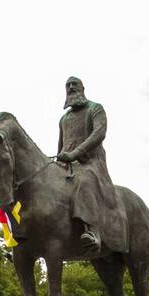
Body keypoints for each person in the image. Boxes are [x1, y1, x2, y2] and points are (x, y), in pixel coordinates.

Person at [56, 77, 128, 255]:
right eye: (68, 85)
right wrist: (57, 164)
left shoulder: (95, 109)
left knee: (85, 179)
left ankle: (92, 231)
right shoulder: (63, 119)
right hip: (67, 166)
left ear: (82, 88)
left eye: (75, 84)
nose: (71, 87)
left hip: (91, 163)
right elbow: (60, 146)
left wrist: (75, 153)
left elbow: (99, 134)